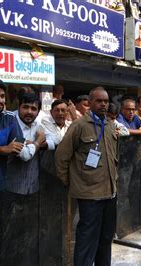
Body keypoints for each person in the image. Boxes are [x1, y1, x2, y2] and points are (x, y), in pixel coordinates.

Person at [55, 86, 118, 266]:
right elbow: (61, 156)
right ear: (89, 103)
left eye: (106, 101)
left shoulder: (110, 125)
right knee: (87, 239)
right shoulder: (79, 125)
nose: (103, 104)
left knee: (106, 238)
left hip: (110, 192)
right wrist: (71, 182)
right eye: (99, 101)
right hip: (89, 194)